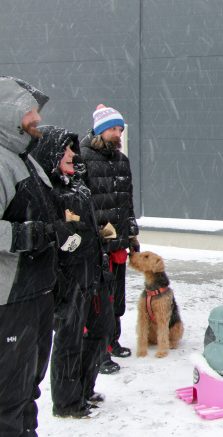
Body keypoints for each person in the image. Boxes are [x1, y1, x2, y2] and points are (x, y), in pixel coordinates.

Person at [0, 76, 64, 435]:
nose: (37, 118)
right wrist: (31, 233)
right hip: (9, 302)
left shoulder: (27, 160)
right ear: (8, 112)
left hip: (37, 294)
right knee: (8, 397)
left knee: (28, 391)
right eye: (30, 112)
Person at [29, 126, 104, 418]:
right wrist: (71, 235)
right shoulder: (48, 191)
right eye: (66, 150)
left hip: (92, 273)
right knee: (69, 340)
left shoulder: (78, 184)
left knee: (100, 331)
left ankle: (84, 389)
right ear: (51, 155)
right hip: (69, 280)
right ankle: (67, 403)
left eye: (73, 149)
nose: (73, 154)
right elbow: (58, 241)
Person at [80, 104, 139, 374]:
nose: (118, 134)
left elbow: (126, 201)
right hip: (96, 244)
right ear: (101, 130)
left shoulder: (121, 160)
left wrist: (132, 232)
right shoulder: (83, 157)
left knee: (116, 297)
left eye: (120, 129)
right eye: (113, 129)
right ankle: (98, 351)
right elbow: (80, 202)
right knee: (99, 300)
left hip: (119, 243)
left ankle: (112, 341)